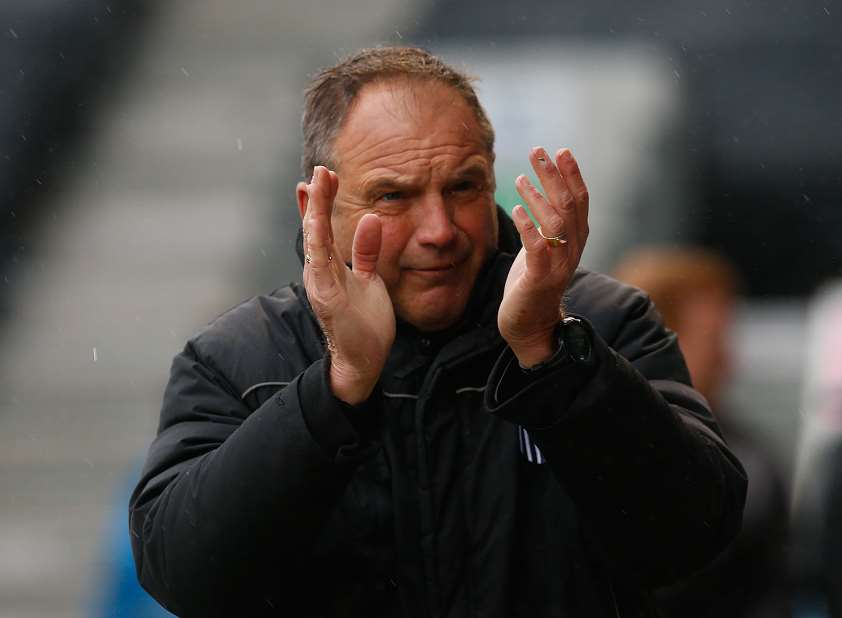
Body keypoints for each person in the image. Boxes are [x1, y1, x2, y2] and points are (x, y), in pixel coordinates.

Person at [129, 47, 747, 617]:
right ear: (316, 209)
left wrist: (548, 355)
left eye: (463, 186)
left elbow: (690, 539)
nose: (440, 230)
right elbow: (184, 577)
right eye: (393, 196)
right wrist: (336, 390)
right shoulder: (238, 358)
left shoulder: (599, 324)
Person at [614, 247, 790, 617]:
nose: (730, 361)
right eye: (714, 340)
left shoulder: (750, 455)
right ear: (658, 343)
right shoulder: (586, 443)